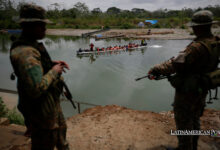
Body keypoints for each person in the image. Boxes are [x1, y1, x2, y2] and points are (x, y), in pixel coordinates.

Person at [148, 10, 219, 150]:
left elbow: (175, 65)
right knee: (195, 118)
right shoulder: (215, 42)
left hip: (189, 90)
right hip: (203, 87)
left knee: (184, 121)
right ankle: (193, 146)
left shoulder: (196, 47)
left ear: (198, 27)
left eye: (193, 26)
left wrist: (155, 69)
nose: (192, 28)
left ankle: (184, 147)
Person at [10, 4, 70, 150]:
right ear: (28, 26)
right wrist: (54, 71)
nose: (45, 28)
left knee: (62, 137)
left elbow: (36, 68)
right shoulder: (26, 54)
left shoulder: (31, 46)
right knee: (44, 143)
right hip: (41, 114)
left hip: (50, 106)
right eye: (41, 25)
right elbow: (36, 89)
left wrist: (50, 63)